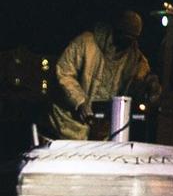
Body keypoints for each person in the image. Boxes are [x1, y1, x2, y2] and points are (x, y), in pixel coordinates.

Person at [44, 10, 159, 140]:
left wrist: (151, 87)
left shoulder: (134, 59)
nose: (127, 42)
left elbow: (141, 87)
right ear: (116, 30)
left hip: (102, 132)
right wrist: (80, 102)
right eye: (125, 36)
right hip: (68, 127)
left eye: (132, 38)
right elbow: (64, 72)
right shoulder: (85, 43)